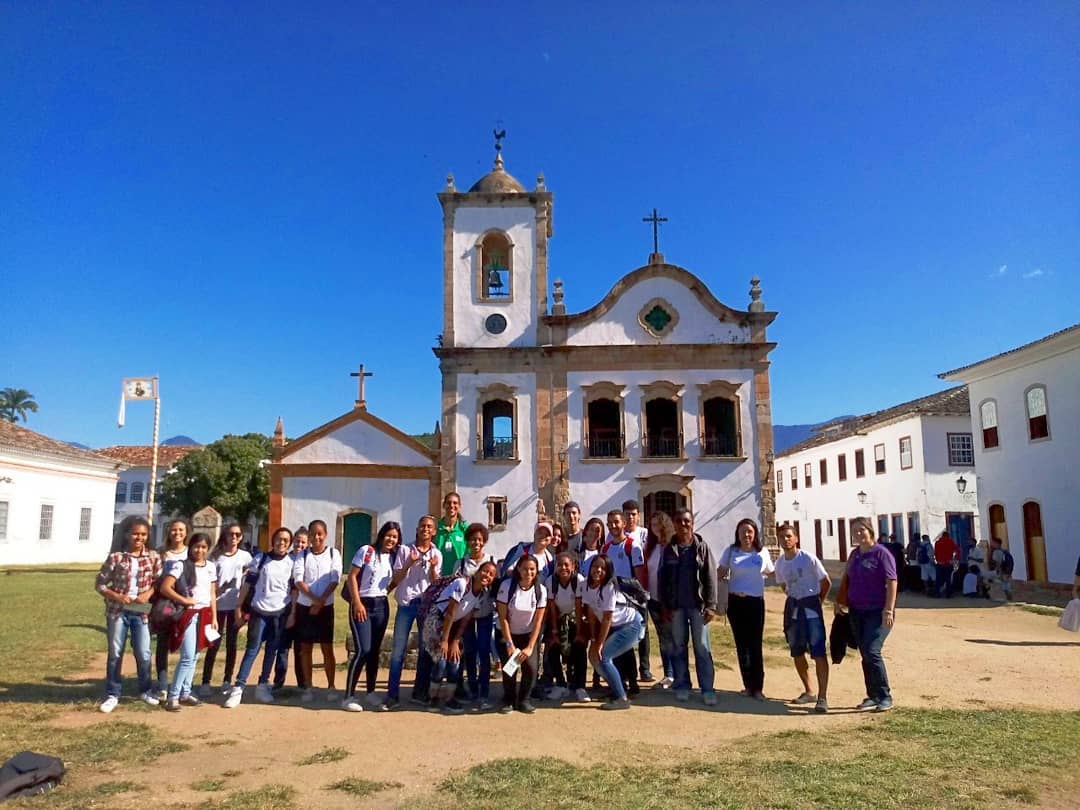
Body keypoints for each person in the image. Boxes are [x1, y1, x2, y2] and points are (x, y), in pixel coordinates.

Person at [95, 517, 162, 713]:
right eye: (135, 534)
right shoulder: (116, 558)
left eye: (143, 534)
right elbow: (99, 584)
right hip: (118, 611)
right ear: (127, 535)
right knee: (116, 652)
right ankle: (113, 693)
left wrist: (147, 594)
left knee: (143, 652)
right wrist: (116, 595)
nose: (139, 538)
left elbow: (159, 581)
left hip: (141, 612)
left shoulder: (153, 557)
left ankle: (145, 689)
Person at [225, 527, 296, 707]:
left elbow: (294, 591)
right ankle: (238, 687)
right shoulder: (260, 559)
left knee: (271, 650)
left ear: (290, 544)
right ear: (273, 540)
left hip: (280, 613)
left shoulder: (292, 563)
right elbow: (247, 585)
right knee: (252, 649)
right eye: (279, 539)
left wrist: (292, 613)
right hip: (259, 611)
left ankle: (263, 684)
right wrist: (238, 607)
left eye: (286, 540)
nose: (282, 543)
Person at [415, 562, 498, 714]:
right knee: (440, 662)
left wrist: (455, 641)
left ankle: (449, 698)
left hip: (453, 626)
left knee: (454, 661)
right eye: (485, 571)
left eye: (491, 574)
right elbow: (450, 613)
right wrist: (445, 641)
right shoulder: (462, 584)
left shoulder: (481, 593)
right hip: (435, 621)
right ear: (478, 571)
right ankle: (433, 698)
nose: (487, 576)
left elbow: (466, 618)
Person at [659, 508, 718, 705]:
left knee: (702, 647)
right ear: (674, 525)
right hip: (676, 607)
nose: (683, 525)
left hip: (698, 606)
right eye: (679, 521)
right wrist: (664, 606)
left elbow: (710, 576)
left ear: (692, 523)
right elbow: (662, 579)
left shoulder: (702, 547)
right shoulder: (670, 549)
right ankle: (683, 684)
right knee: (678, 646)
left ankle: (707, 689)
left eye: (687, 521)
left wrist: (711, 605)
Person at [341, 521, 401, 712]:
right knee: (363, 650)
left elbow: (393, 581)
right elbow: (351, 577)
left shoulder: (392, 557)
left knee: (374, 651)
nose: (391, 539)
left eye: (395, 537)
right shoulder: (366, 551)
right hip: (362, 604)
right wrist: (357, 603)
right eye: (388, 535)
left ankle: (370, 691)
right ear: (382, 535)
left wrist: (386, 591)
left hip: (381, 605)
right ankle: (348, 696)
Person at [838, 516, 897, 712]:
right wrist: (841, 602)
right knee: (865, 653)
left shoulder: (881, 554)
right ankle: (872, 695)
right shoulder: (855, 555)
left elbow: (892, 582)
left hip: (877, 612)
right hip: (857, 611)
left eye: (861, 530)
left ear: (869, 530)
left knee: (872, 651)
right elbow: (847, 579)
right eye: (854, 531)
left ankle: (884, 695)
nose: (858, 534)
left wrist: (888, 609)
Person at [385, 515, 442, 709]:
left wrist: (433, 568)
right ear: (417, 529)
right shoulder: (404, 550)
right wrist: (409, 562)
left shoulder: (437, 554)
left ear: (434, 531)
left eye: (429, 527)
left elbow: (435, 584)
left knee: (425, 651)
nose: (425, 529)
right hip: (406, 605)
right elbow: (397, 577)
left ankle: (420, 692)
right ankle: (392, 695)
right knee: (398, 651)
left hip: (425, 605)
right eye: (422, 526)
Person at [773, 524, 831, 714]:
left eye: (789, 536)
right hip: (794, 609)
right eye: (782, 537)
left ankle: (822, 697)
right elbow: (783, 586)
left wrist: (817, 601)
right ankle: (809, 690)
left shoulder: (808, 559)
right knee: (797, 651)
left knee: (818, 652)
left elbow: (825, 581)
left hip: (811, 607)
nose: (785, 540)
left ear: (796, 538)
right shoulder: (780, 563)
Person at [157, 532, 218, 711]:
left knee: (196, 655)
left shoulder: (211, 567)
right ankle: (173, 696)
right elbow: (165, 587)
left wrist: (214, 617)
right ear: (190, 547)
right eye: (196, 546)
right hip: (188, 614)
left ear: (208, 549)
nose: (199, 550)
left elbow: (212, 593)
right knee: (187, 656)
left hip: (204, 613)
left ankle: (185, 691)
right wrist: (184, 600)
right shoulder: (181, 566)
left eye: (204, 547)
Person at [717, 518, 774, 700]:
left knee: (755, 644)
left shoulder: (762, 553)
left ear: (755, 533)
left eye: (749, 531)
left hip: (755, 603)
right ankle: (747, 685)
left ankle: (758, 688)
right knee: (741, 646)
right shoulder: (731, 551)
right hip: (736, 603)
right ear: (738, 534)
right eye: (742, 532)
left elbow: (772, 572)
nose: (746, 535)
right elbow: (720, 572)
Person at [581, 554, 643, 711]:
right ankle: (617, 688)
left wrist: (600, 644)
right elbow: (592, 614)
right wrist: (594, 639)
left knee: (605, 657)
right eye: (596, 567)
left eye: (603, 568)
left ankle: (622, 698)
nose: (598, 570)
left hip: (631, 624)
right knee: (594, 656)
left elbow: (607, 618)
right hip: (615, 625)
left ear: (608, 571)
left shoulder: (609, 587)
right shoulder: (587, 586)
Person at [292, 519, 342, 701]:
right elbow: (298, 579)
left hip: (326, 608)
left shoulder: (333, 553)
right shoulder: (302, 555)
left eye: (320, 533)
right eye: (313, 534)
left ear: (326, 534)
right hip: (305, 608)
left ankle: (331, 686)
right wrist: (314, 600)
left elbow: (335, 578)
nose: (317, 537)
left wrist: (321, 602)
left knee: (327, 648)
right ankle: (308, 686)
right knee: (305, 648)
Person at [200, 523, 252, 697]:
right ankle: (206, 681)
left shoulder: (245, 556)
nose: (234, 537)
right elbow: (209, 584)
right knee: (213, 643)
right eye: (231, 534)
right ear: (225, 536)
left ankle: (226, 681)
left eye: (238, 534)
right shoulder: (216, 557)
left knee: (232, 644)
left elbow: (251, 575)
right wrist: (221, 589)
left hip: (234, 607)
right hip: (217, 607)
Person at [496, 554, 548, 713]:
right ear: (518, 569)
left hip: (528, 634)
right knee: (510, 666)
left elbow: (538, 621)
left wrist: (531, 646)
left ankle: (524, 699)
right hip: (507, 634)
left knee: (531, 668)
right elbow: (502, 617)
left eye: (532, 569)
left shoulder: (541, 590)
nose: (528, 572)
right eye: (525, 569)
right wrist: (510, 644)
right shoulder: (507, 586)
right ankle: (509, 698)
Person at [602, 509, 646, 694]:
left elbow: (640, 577)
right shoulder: (605, 547)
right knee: (615, 644)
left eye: (616, 522)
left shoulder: (632, 546)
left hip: (628, 602)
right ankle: (620, 684)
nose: (613, 526)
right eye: (610, 522)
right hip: (612, 602)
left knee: (626, 647)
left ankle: (633, 683)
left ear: (623, 523)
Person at [455, 523, 497, 709]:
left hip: (485, 613)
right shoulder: (461, 563)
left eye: (480, 539)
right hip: (466, 617)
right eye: (473, 539)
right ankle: (472, 687)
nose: (476, 543)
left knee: (484, 651)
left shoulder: (491, 560)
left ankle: (484, 690)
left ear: (485, 541)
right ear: (468, 541)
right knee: (470, 652)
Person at [542, 552, 588, 702]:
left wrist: (580, 632)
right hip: (558, 618)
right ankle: (560, 685)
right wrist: (554, 631)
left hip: (575, 618)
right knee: (554, 649)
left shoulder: (579, 581)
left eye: (567, 565)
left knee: (579, 649)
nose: (563, 568)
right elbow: (552, 607)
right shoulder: (551, 581)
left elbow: (579, 606)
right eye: (560, 565)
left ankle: (579, 686)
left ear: (573, 566)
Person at [154, 518, 189, 699]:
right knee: (162, 644)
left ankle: (182, 685)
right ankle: (162, 683)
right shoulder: (161, 554)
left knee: (186, 645)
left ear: (186, 532)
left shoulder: (190, 553)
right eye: (174, 530)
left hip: (185, 603)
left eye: (181, 530)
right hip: (165, 604)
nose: (177, 533)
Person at [643, 511, 676, 689]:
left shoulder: (671, 546)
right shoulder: (651, 547)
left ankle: (677, 674)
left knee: (672, 638)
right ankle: (668, 675)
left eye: (658, 524)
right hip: (653, 600)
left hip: (668, 602)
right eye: (652, 525)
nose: (655, 528)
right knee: (663, 638)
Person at [273, 527, 308, 690]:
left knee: (301, 649)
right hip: (286, 607)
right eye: (297, 541)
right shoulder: (286, 559)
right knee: (283, 647)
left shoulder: (307, 561)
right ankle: (278, 682)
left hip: (302, 608)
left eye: (303, 542)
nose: (299, 545)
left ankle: (303, 683)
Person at [436, 492, 468, 575]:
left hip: (459, 576)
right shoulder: (435, 528)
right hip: (438, 576)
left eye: (455, 503)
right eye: (448, 502)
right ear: (444, 505)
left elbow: (470, 553)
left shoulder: (464, 529)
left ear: (459, 506)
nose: (451, 505)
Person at [934, 531, 959, 598]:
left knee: (938, 579)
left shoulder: (937, 542)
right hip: (948, 563)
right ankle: (948, 594)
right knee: (948, 579)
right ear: (948, 536)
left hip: (939, 563)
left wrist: (937, 560)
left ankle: (937, 593)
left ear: (942, 535)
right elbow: (958, 551)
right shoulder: (951, 542)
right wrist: (954, 559)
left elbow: (935, 553)